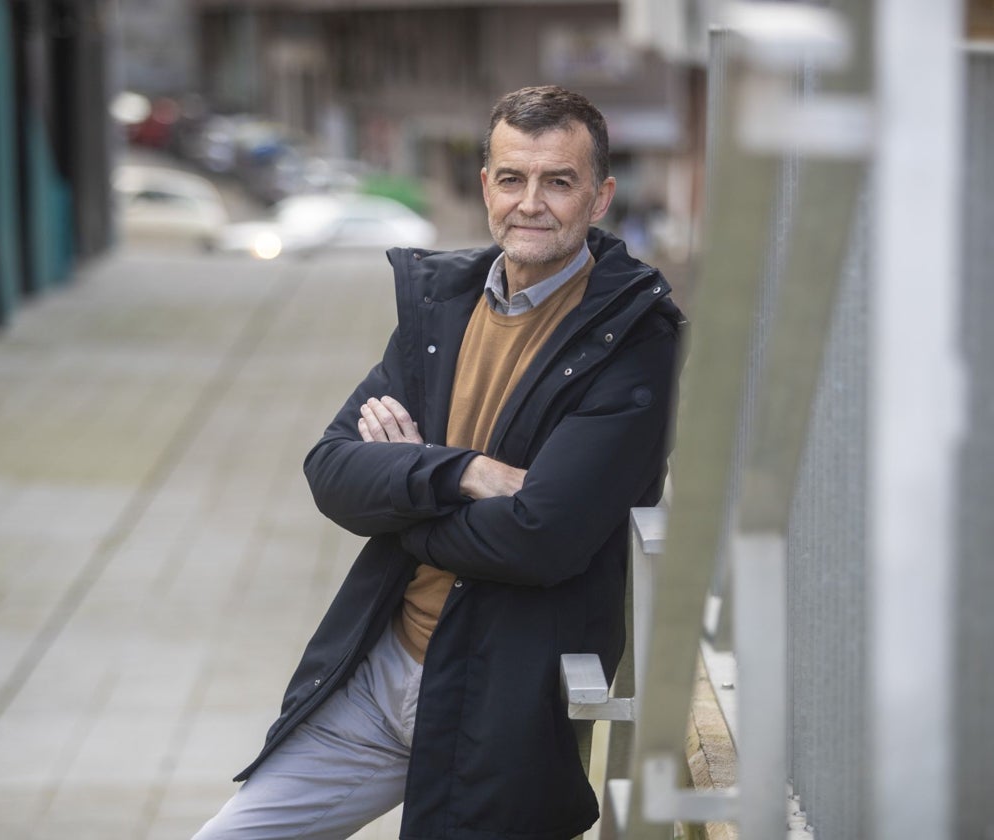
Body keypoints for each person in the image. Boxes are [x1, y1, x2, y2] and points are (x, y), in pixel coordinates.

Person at [193, 85, 685, 840]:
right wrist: (461, 474)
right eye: (513, 178)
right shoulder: (443, 305)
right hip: (377, 668)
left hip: (495, 699)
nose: (531, 203)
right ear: (485, 184)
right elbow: (331, 470)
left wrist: (406, 500)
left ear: (599, 197)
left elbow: (541, 536)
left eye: (559, 181)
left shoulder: (634, 339)